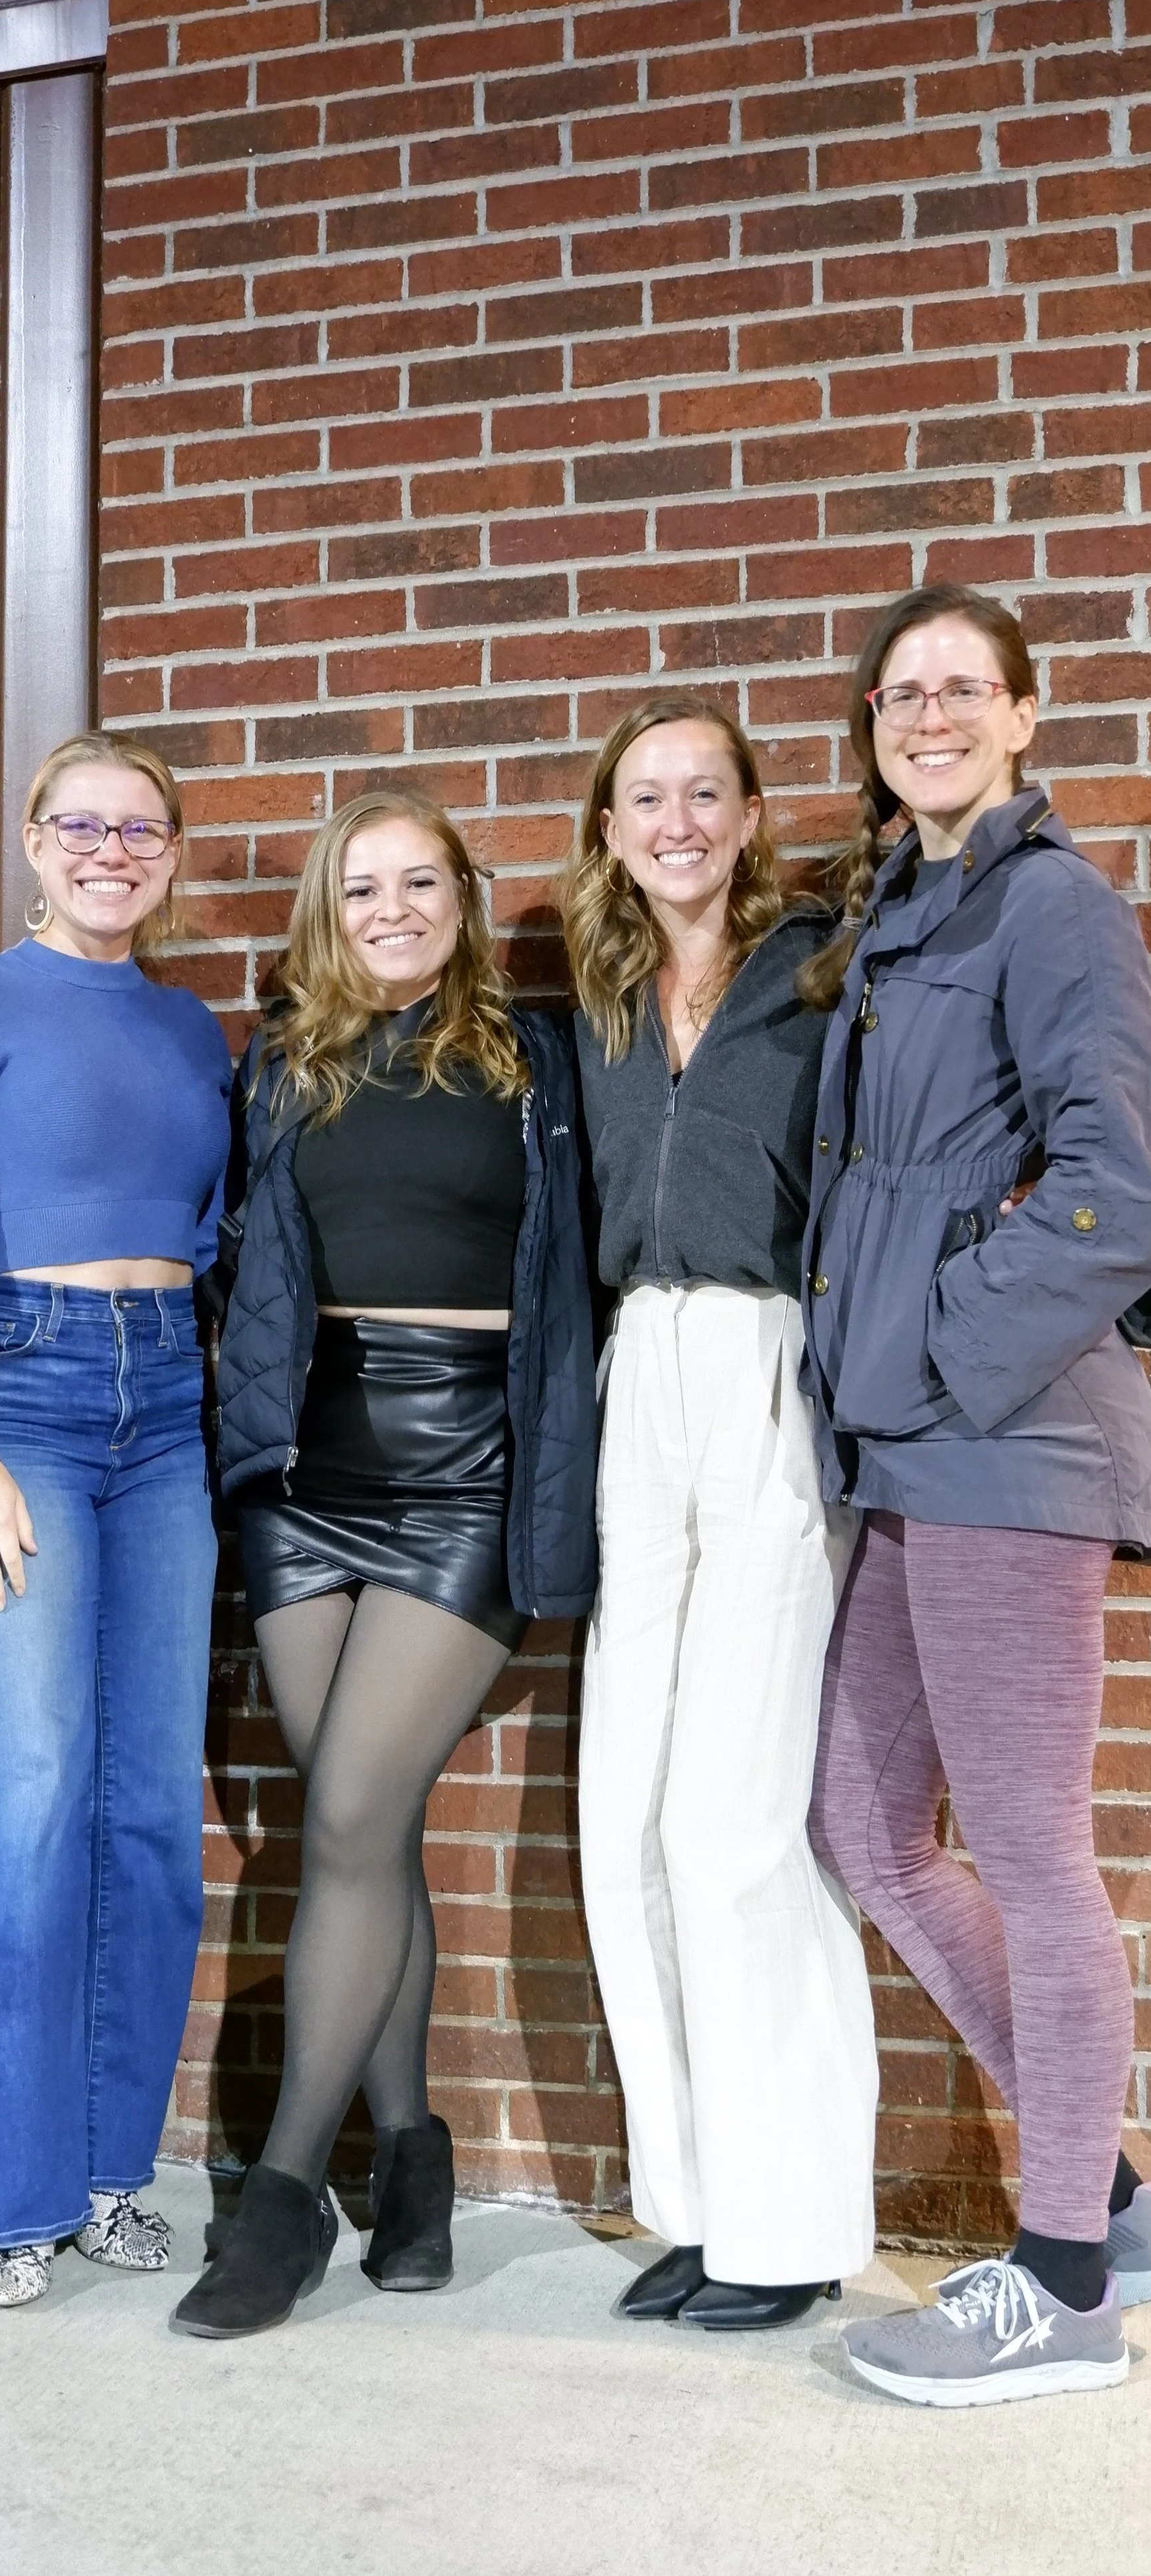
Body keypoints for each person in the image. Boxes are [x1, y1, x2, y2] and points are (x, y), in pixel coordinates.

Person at [172, 789, 598, 2339]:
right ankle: (414, 2158)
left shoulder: (538, 1059)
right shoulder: (279, 1068)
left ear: (466, 897)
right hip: (306, 1472)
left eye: (424, 882)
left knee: (347, 1809)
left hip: (471, 1470)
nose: (397, 908)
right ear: (327, 910)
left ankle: (283, 2196)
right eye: (366, 889)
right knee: (369, 1819)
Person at [799, 582, 1151, 2406]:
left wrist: (940, 1346)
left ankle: (1067, 2281)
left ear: (1025, 714)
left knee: (1024, 1844)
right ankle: (1109, 2179)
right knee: (864, 1827)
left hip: (999, 1436)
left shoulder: (1054, 906)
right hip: (911, 1439)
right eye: (899, 692)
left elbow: (1120, 1183)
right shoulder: (907, 914)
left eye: (961, 689)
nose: (926, 713)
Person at [0, 729, 231, 2310]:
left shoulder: (190, 1023)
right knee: (27, 1799)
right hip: (18, 1401)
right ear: (31, 838)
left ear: (169, 852)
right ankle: (11, 2195)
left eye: (139, 828)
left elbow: (210, 1226)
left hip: (168, 1416)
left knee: (152, 1811)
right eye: (79, 822)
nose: (110, 848)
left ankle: (109, 2169)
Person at [564, 692, 879, 2330]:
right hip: (640, 1379)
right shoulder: (606, 992)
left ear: (753, 813)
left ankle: (794, 2215)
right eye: (644, 798)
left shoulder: (825, 972)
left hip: (765, 1370)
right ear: (610, 828)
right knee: (623, 1822)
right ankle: (694, 2198)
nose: (675, 820)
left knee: (735, 1826)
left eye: (706, 792)